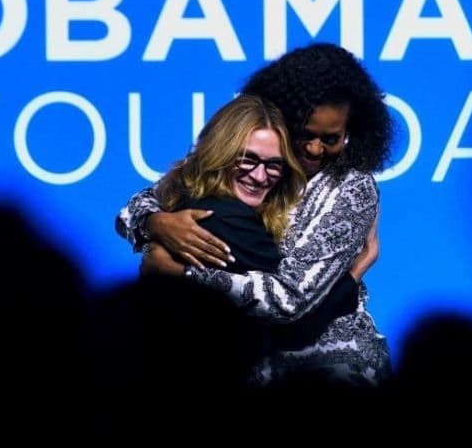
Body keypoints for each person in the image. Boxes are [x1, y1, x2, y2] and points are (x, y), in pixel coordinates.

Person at [116, 42, 393, 387]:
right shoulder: (258, 154)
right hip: (247, 365)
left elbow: (288, 300)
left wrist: (180, 273)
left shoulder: (351, 187)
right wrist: (158, 223)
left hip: (327, 370)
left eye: (331, 138)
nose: (314, 149)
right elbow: (135, 207)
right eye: (305, 134)